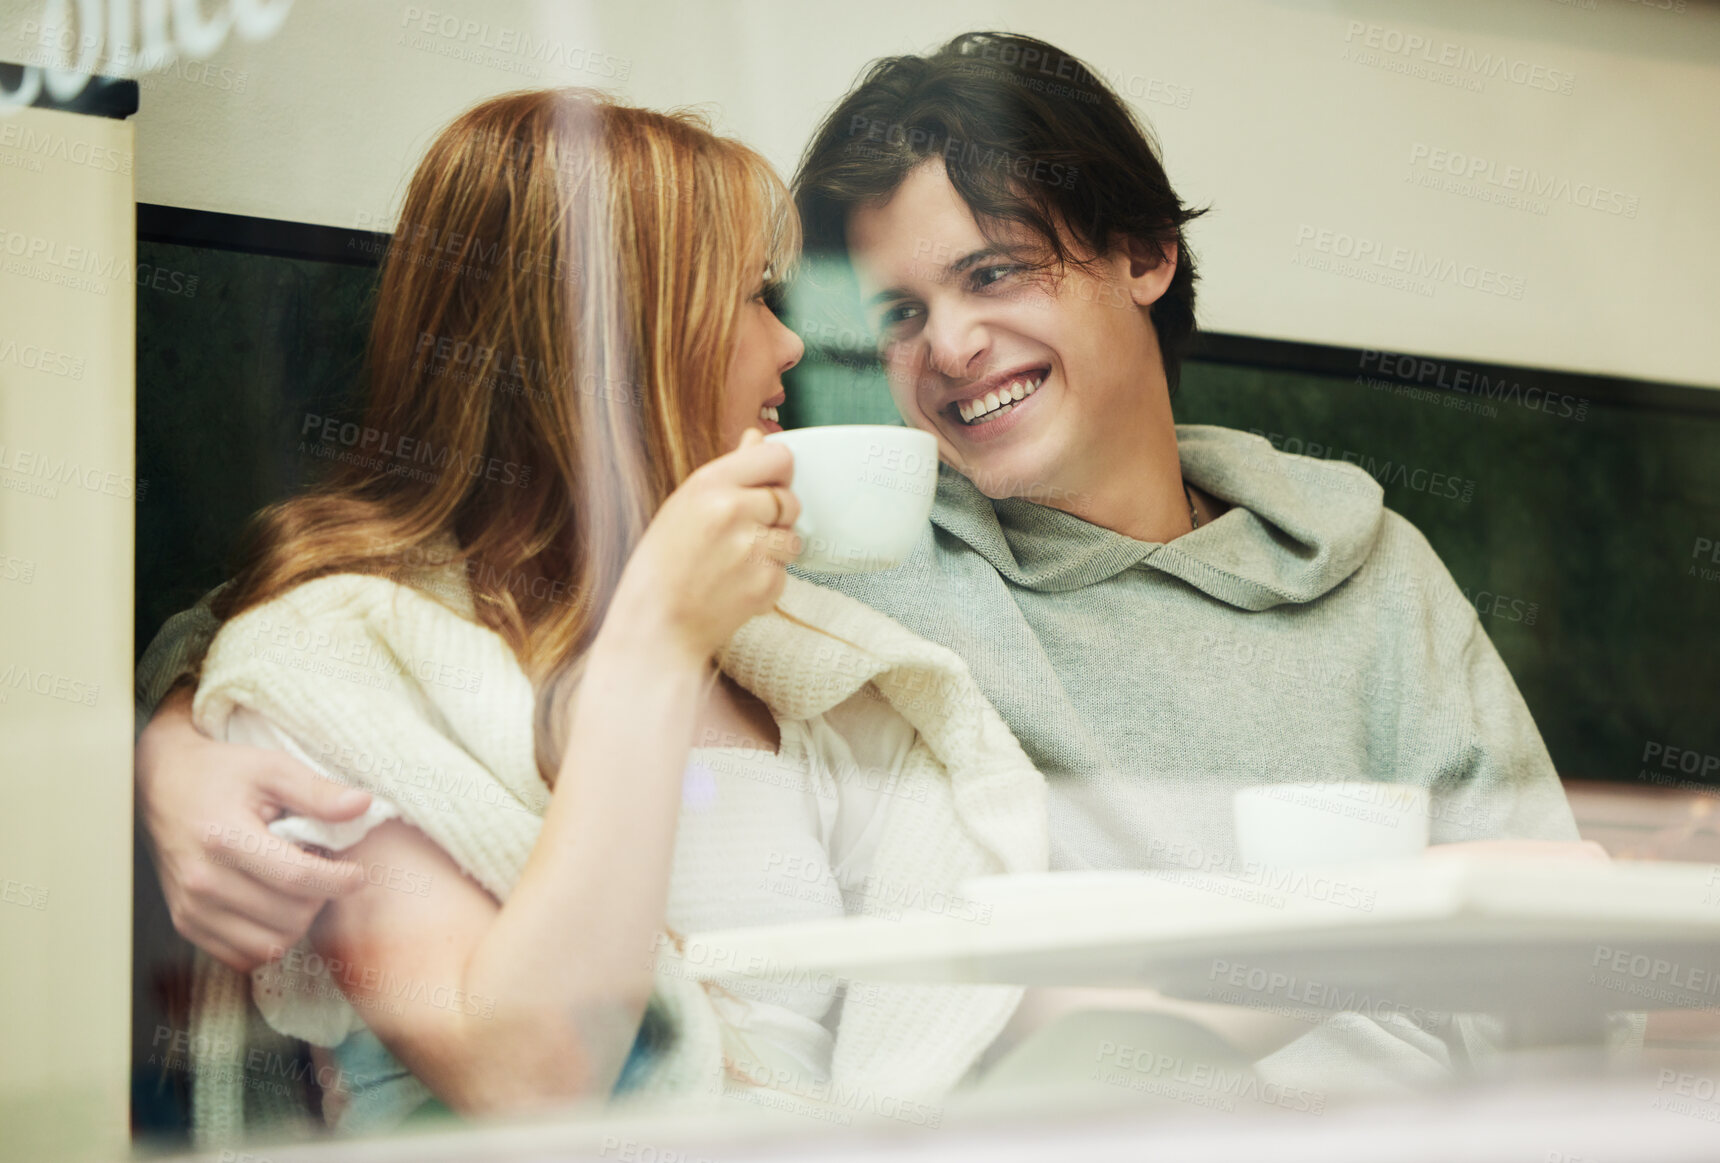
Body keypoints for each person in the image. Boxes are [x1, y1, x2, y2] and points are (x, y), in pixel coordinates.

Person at [138, 87, 1047, 1145]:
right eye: (752, 296)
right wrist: (656, 643)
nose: (790, 346)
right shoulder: (342, 668)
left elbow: (961, 1004)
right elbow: (528, 1073)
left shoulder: (790, 669)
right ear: (606, 342)